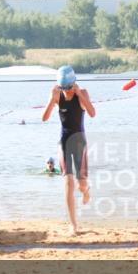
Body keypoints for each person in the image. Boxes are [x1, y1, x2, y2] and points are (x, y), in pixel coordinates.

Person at [41, 65, 96, 235]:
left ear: (74, 83)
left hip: (79, 142)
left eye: (69, 87)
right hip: (64, 141)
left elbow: (92, 113)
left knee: (81, 185)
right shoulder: (57, 94)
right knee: (67, 182)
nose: (67, 91)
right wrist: (52, 99)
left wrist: (79, 94)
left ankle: (86, 191)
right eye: (64, 88)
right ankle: (73, 224)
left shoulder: (82, 93)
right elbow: (44, 118)